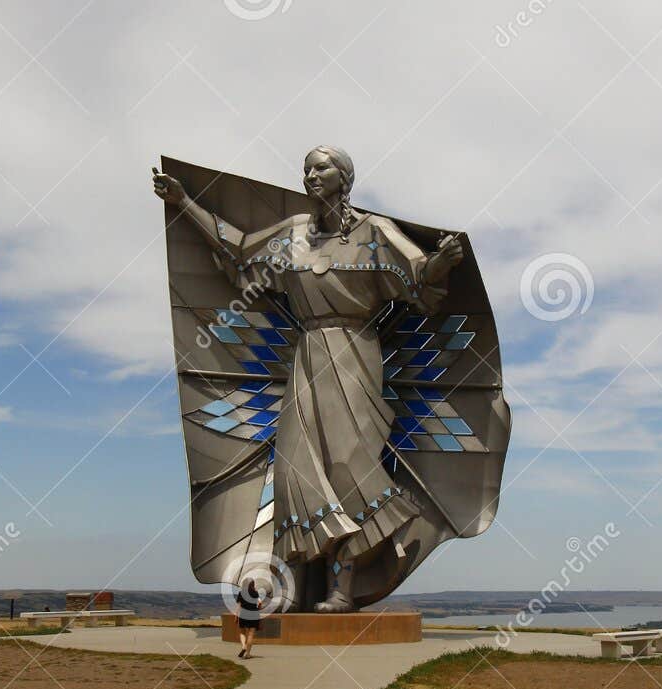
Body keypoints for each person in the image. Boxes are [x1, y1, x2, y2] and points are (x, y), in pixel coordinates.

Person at [153, 147, 464, 613]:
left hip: (355, 354)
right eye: (306, 170)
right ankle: (291, 585)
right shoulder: (293, 235)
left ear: (345, 178)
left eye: (321, 168)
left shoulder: (375, 233)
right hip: (308, 355)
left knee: (346, 468)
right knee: (295, 470)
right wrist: (183, 203)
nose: (310, 176)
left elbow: (419, 277)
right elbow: (238, 251)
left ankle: (341, 589)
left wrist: (444, 261)